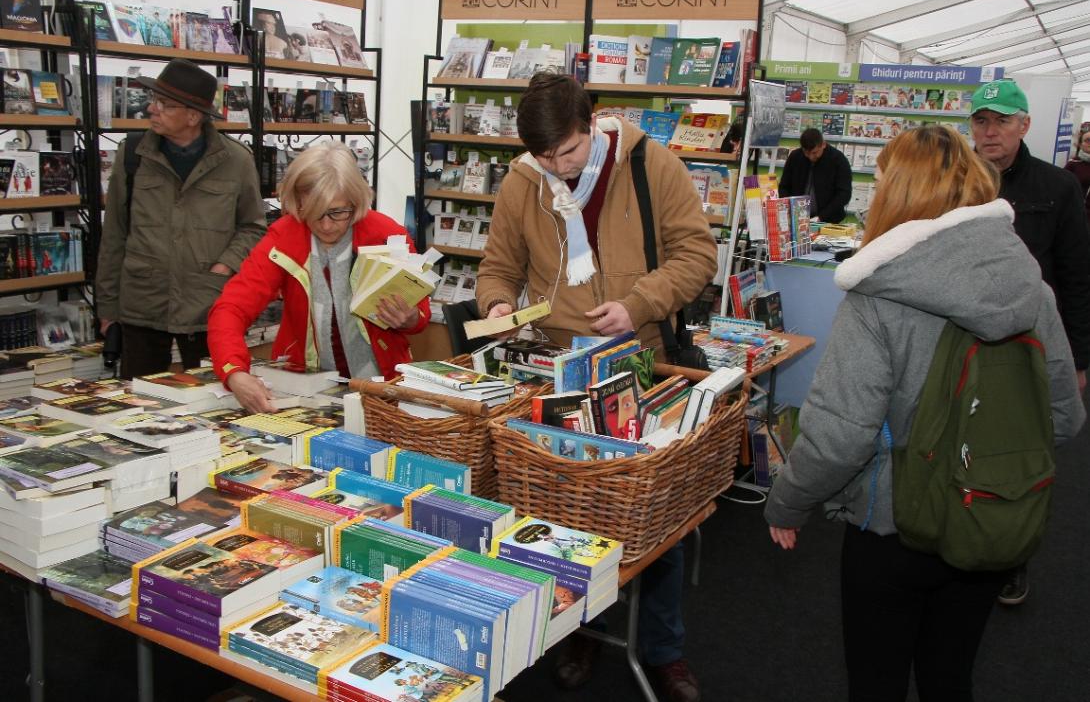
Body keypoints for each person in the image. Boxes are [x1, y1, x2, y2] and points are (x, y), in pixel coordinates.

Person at [764, 124, 1085, 702]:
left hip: (891, 528)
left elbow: (840, 437)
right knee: (950, 677)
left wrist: (787, 501)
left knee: (876, 682)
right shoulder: (1030, 284)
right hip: (989, 517)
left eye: (883, 179)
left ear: (903, 193)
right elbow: (1062, 416)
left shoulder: (878, 294)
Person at [476, 73, 717, 702]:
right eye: (543, 157)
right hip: (554, 368)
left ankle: (665, 651)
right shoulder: (524, 180)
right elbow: (498, 267)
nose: (557, 169)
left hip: (640, 362)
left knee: (652, 520)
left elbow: (697, 256)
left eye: (569, 153)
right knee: (564, 515)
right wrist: (499, 304)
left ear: (593, 125)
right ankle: (581, 626)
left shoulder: (650, 165)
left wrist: (638, 303)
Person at [968, 79, 1090, 606]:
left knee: (1021, 457)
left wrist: (1080, 361)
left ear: (1025, 125)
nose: (990, 131)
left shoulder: (1058, 188)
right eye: (981, 120)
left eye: (1001, 120)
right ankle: (960, 541)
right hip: (962, 342)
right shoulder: (955, 181)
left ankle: (1013, 556)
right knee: (961, 446)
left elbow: (1077, 277)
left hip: (1029, 347)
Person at [207, 142, 430, 414]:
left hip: (383, 387)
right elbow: (230, 308)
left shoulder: (386, 234)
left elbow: (420, 313)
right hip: (305, 388)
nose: (325, 225)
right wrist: (234, 372)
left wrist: (409, 319)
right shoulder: (283, 238)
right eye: (313, 212)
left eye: (337, 212)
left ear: (356, 200)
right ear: (297, 203)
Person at [96, 58, 266, 381]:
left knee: (213, 403)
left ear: (193, 116)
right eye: (153, 99)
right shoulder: (131, 155)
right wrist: (107, 308)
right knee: (139, 408)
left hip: (208, 306)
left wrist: (226, 265)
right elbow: (114, 232)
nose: (151, 109)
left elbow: (253, 227)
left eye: (163, 103)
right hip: (142, 306)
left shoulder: (237, 161)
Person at [778, 127, 853, 223]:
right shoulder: (795, 157)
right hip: (796, 219)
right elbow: (784, 186)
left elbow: (844, 194)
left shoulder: (838, 160)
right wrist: (789, 209)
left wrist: (821, 217)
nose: (811, 157)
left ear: (823, 145)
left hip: (829, 221)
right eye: (806, 153)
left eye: (815, 152)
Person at [1063, 127, 1090, 221]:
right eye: (1088, 140)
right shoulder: (1073, 164)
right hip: (1080, 216)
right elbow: (1062, 189)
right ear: (1080, 144)